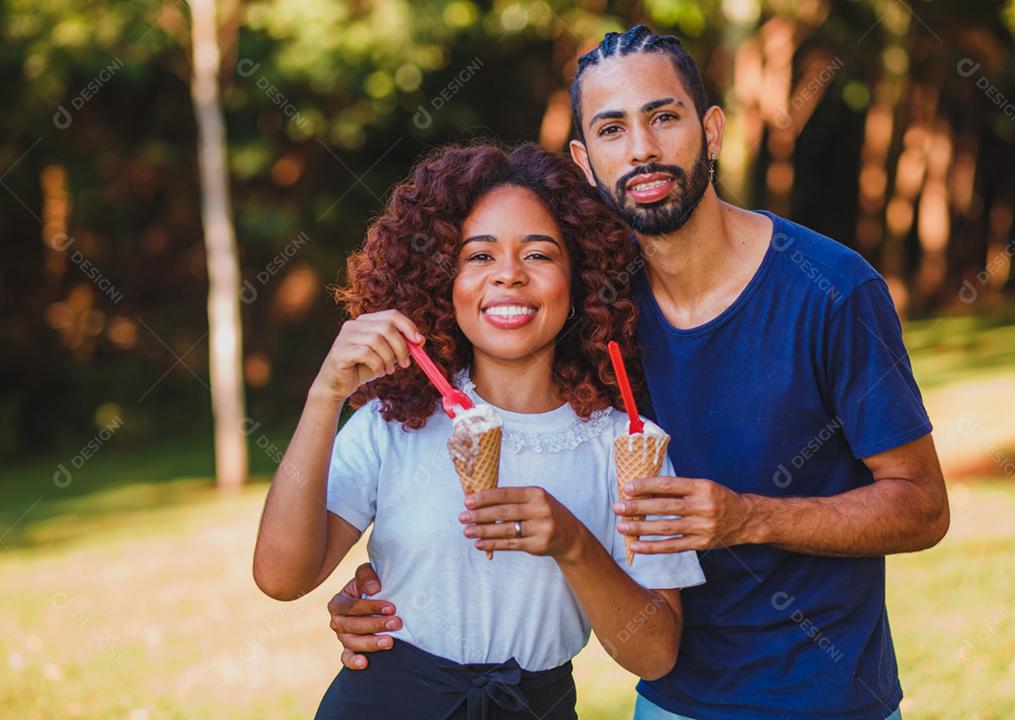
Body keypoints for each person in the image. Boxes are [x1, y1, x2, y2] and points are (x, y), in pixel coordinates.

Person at [327, 26, 949, 720]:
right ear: (585, 161)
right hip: (667, 701)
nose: (643, 148)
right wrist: (393, 607)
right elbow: (472, 439)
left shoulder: (830, 289)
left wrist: (750, 518)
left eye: (664, 117)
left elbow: (922, 507)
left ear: (711, 131)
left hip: (830, 700)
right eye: (612, 129)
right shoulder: (585, 310)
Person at [252, 141, 705, 719]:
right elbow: (281, 577)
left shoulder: (626, 446)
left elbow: (657, 653)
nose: (509, 276)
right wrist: (325, 395)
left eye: (539, 255)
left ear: (581, 278)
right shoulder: (392, 426)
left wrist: (572, 542)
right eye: (479, 256)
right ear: (443, 280)